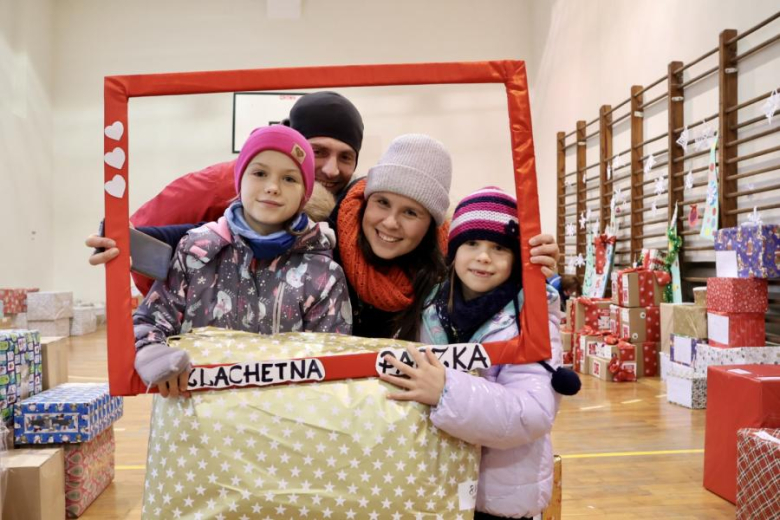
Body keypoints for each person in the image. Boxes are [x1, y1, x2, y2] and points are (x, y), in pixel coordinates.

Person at [379, 187, 564, 520]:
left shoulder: (530, 319)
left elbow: (532, 412)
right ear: (453, 250)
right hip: (436, 491)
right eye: (472, 243)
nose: (483, 257)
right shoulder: (431, 308)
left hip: (497, 502)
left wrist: (446, 390)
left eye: (499, 248)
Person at [133, 126, 352, 398]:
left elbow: (332, 355)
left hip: (287, 424)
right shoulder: (196, 250)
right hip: (197, 419)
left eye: (289, 179)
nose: (272, 187)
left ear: (305, 193)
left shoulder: (323, 273)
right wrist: (154, 353)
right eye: (260, 173)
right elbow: (153, 317)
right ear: (240, 180)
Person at [88, 91, 364, 269]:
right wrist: (117, 240)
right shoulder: (223, 186)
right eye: (318, 152)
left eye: (346, 157)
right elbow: (160, 233)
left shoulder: (347, 208)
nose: (332, 170)